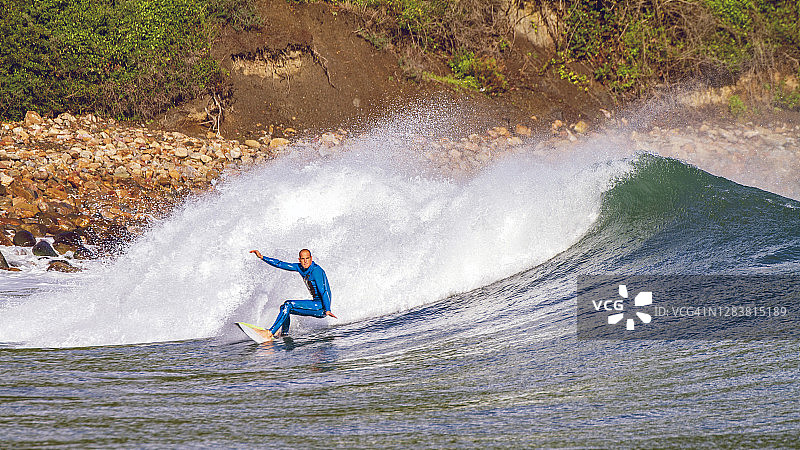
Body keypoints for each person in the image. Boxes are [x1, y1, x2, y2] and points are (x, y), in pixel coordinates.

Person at [249, 248, 336, 339]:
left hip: (321, 307)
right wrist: (262, 257)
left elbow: (324, 291)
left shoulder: (316, 271)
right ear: (299, 260)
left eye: (307, 258)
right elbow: (280, 264)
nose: (305, 261)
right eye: (303, 259)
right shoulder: (300, 267)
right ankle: (284, 334)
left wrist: (328, 309)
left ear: (311, 258)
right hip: (316, 304)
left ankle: (270, 333)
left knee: (288, 304)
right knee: (284, 308)